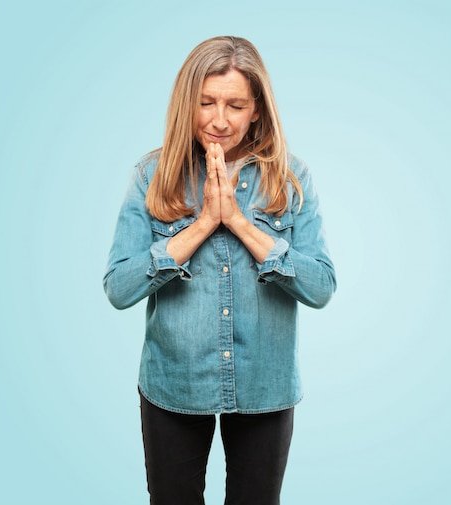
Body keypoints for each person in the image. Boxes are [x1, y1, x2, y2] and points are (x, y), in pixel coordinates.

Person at [103, 35, 336, 504]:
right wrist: (205, 222)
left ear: (256, 110)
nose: (219, 119)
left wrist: (238, 222)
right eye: (206, 102)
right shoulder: (153, 176)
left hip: (264, 385)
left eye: (235, 104)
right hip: (174, 382)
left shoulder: (291, 178)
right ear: (187, 104)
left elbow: (321, 286)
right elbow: (120, 286)